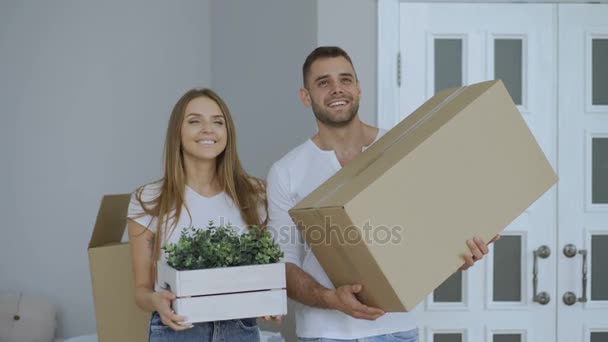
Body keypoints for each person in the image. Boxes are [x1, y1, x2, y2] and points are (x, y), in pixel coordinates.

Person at [266, 46, 498, 341]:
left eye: (346, 80)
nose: (337, 89)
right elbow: (284, 260)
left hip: (397, 330)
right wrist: (329, 298)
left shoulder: (402, 148)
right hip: (324, 333)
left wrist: (457, 254)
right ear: (305, 96)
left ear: (359, 89)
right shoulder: (286, 171)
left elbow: (431, 230)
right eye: (323, 82)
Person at [127, 88, 278, 342]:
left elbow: (264, 273)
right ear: (178, 131)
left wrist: (268, 299)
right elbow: (141, 291)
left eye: (218, 122)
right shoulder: (149, 200)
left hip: (240, 330)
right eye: (195, 121)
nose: (208, 129)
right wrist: (156, 300)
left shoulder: (255, 195)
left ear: (227, 133)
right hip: (178, 330)